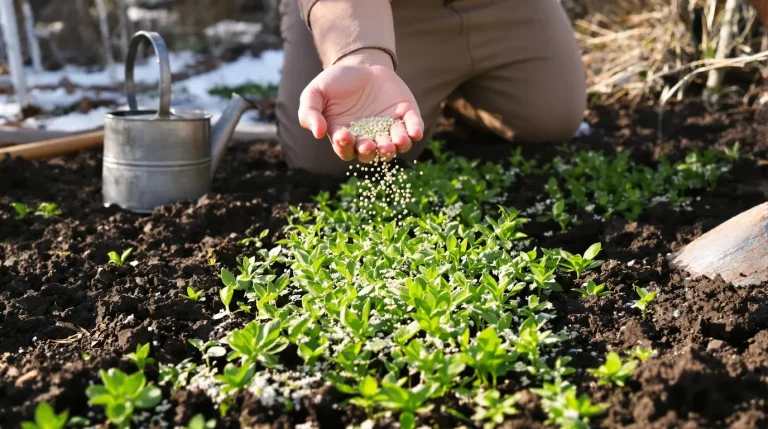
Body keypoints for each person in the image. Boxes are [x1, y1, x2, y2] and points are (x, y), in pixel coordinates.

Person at [276, 0, 587, 177]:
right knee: (326, 160)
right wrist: (360, 54)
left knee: (551, 117)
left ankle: (452, 90)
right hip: (379, 9)